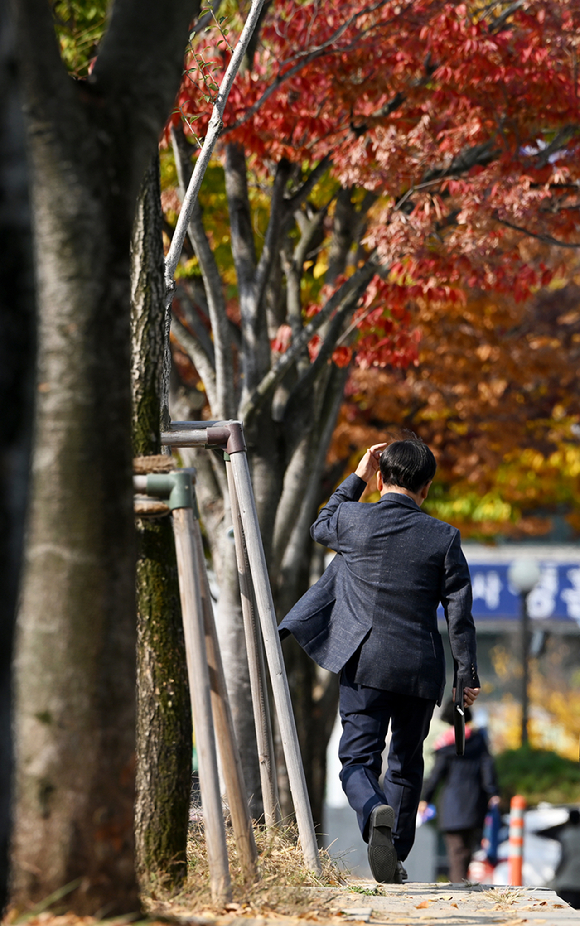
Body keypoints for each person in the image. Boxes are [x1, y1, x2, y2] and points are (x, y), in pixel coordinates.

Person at [279, 437, 480, 883]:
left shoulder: (352, 520)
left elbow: (321, 524)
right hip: (420, 667)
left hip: (364, 660)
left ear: (381, 478)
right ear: (426, 488)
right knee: (407, 763)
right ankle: (394, 857)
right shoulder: (444, 537)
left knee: (357, 758)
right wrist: (465, 675)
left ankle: (374, 814)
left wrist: (357, 475)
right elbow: (460, 616)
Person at [418, 701, 500, 883]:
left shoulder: (445, 744)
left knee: (455, 851)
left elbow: (436, 775)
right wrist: (492, 793)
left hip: (451, 804)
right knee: (468, 849)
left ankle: (457, 887)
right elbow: (488, 769)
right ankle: (462, 884)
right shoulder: (479, 741)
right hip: (475, 803)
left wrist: (426, 798)